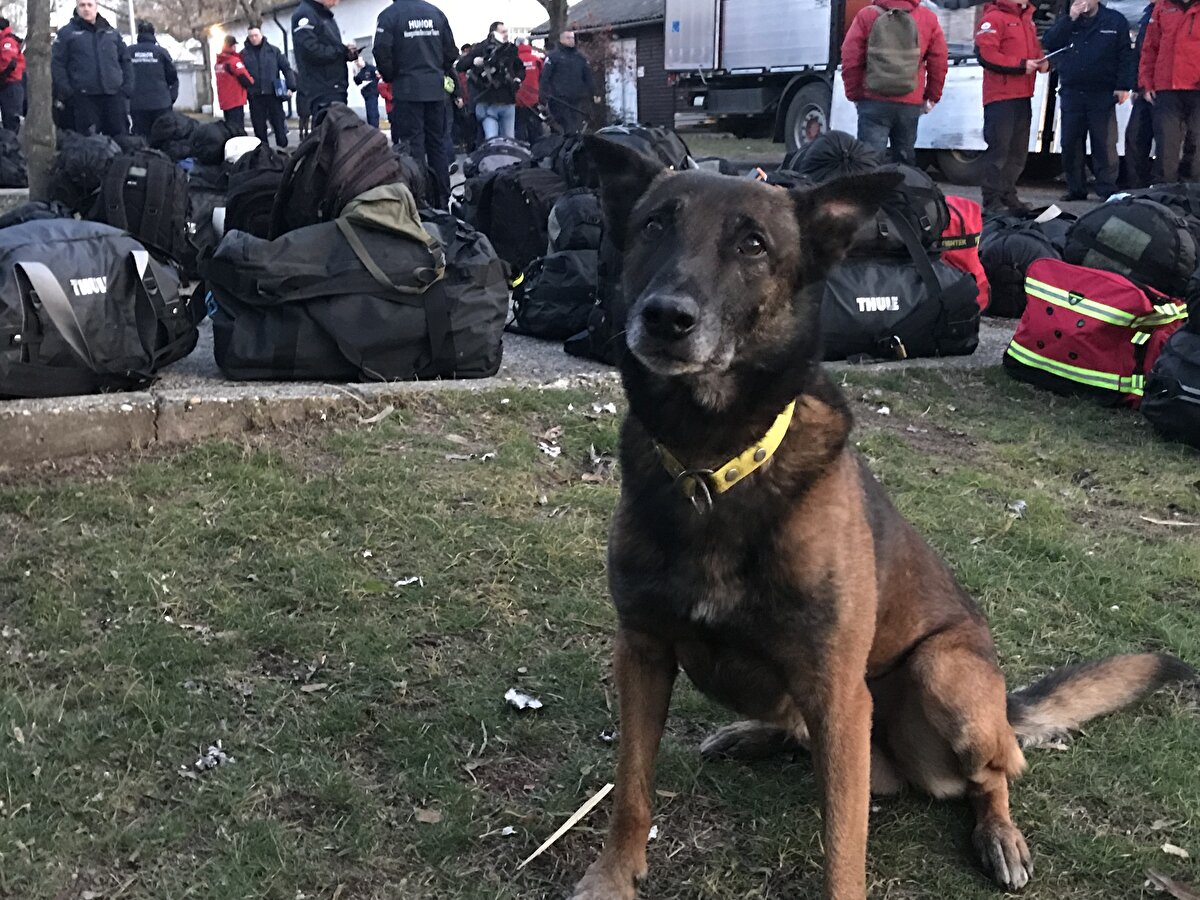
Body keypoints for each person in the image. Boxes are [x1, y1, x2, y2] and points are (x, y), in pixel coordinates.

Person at [1043, 0, 1135, 200]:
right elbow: (1050, 42)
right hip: (1072, 90)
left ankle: (1107, 188)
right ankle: (1075, 188)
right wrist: (1070, 19)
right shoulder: (1068, 21)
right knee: (1070, 143)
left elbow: (1125, 55)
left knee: (1104, 143)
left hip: (1102, 91)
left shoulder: (1114, 21)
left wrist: (1123, 86)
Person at [840, 0, 948, 165]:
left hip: (873, 100)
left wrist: (855, 94)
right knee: (904, 161)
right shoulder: (927, 18)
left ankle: (868, 190)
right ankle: (904, 190)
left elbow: (851, 58)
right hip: (910, 101)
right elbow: (939, 62)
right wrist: (932, 97)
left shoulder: (867, 15)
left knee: (868, 161)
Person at [375, 0, 457, 207]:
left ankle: (420, 199)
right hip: (435, 89)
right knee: (437, 144)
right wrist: (438, 71)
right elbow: (451, 52)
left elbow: (381, 52)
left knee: (413, 147)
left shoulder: (389, 15)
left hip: (407, 90)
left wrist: (392, 76)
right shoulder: (436, 13)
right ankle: (442, 197)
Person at [974, 0, 1046, 215]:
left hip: (1023, 94)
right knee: (999, 150)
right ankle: (991, 199)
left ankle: (1008, 194)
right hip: (1000, 96)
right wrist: (1021, 65)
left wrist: (1043, 62)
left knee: (1017, 152)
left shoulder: (1026, 20)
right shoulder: (994, 18)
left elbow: (1034, 50)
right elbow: (986, 55)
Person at [1138, 0, 1200, 185]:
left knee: (1197, 145)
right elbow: (1150, 47)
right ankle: (1164, 194)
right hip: (1166, 87)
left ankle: (1194, 195)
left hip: (1197, 88)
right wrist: (1146, 83)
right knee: (1166, 145)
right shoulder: (1162, 6)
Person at [51, 0, 132, 136]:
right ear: (77, 7)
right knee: (88, 144)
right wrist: (68, 93)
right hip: (84, 99)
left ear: (96, 7)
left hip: (114, 96)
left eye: (89, 5)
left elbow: (125, 61)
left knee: (121, 140)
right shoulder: (66, 34)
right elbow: (57, 65)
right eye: (82, 5)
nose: (86, 9)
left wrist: (127, 88)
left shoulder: (111, 32)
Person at [292, 0, 358, 119]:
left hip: (335, 85)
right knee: (327, 130)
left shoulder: (324, 15)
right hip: (321, 87)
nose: (337, 2)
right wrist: (340, 51)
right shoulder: (305, 15)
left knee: (339, 130)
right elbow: (311, 51)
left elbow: (328, 46)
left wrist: (346, 53)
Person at [457, 21, 523, 141]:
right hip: (488, 102)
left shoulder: (509, 49)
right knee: (492, 141)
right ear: (494, 33)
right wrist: (474, 61)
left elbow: (520, 68)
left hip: (507, 101)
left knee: (509, 141)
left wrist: (518, 79)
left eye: (506, 31)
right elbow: (460, 66)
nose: (506, 34)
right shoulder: (482, 48)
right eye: (503, 32)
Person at [242, 25, 296, 148]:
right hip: (255, 96)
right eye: (251, 36)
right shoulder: (244, 55)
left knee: (279, 125)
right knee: (259, 128)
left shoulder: (273, 51)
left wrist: (291, 87)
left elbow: (286, 68)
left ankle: (284, 151)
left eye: (256, 35)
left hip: (273, 94)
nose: (253, 38)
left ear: (261, 35)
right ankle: (264, 155)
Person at [1123, 2, 1156, 188]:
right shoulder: (1149, 13)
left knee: (1169, 146)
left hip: (1170, 88)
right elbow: (1142, 52)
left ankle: (1168, 190)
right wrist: (1136, 86)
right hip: (1145, 87)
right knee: (1135, 138)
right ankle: (1136, 188)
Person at [127, 21, 177, 138]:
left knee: (141, 139)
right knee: (163, 137)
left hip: (137, 105)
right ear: (153, 33)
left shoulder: (129, 52)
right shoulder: (161, 52)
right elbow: (173, 78)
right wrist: (170, 99)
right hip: (161, 104)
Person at [542, 30, 596, 135]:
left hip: (577, 100)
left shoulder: (580, 58)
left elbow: (588, 76)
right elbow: (545, 77)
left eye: (572, 38)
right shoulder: (553, 57)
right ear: (561, 40)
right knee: (567, 128)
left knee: (577, 127)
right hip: (559, 99)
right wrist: (543, 95)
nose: (571, 40)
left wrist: (593, 92)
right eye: (568, 38)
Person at [214, 35, 252, 137]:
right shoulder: (234, 61)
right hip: (235, 100)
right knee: (238, 129)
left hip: (225, 102)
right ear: (233, 46)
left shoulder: (219, 62)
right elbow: (247, 80)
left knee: (230, 129)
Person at [515, 37, 545, 144]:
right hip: (533, 98)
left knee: (519, 128)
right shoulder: (536, 60)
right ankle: (538, 151)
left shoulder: (514, 59)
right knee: (536, 128)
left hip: (517, 99)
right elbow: (542, 77)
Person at [0, 17, 26, 133]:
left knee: (11, 121)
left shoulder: (7, 42)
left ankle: (11, 146)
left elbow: (7, 63)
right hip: (7, 84)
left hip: (10, 85)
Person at [354, 57, 381, 127]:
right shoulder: (360, 71)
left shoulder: (371, 68)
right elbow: (357, 82)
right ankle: (371, 127)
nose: (357, 63)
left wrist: (370, 83)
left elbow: (378, 77)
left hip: (372, 92)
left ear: (362, 60)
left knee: (373, 112)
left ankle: (374, 127)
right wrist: (355, 74)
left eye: (358, 61)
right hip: (366, 94)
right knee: (369, 112)